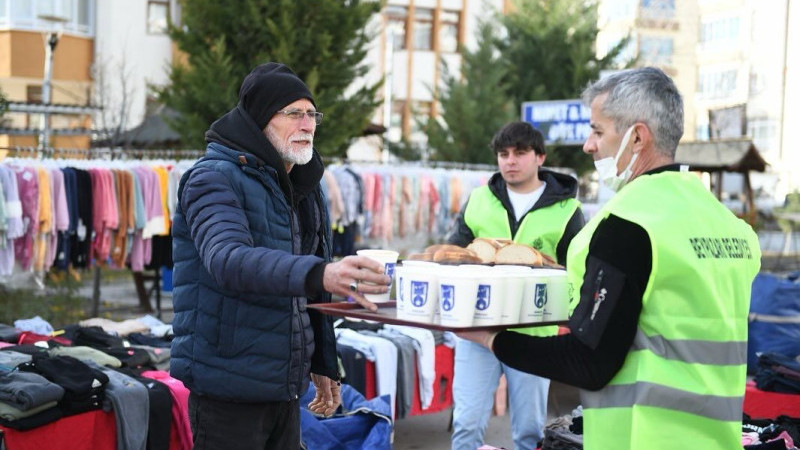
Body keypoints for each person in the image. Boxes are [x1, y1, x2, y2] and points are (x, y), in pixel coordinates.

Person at [459, 67, 761, 449]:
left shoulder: (628, 223)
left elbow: (589, 361)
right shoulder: (729, 225)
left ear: (637, 137)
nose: (588, 145)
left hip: (642, 437)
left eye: (598, 131)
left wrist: (490, 339)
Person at [170, 62, 391, 450]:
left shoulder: (303, 184)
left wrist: (322, 362)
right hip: (228, 386)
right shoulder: (212, 178)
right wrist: (321, 273)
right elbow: (228, 259)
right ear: (259, 121)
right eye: (293, 114)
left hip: (284, 386)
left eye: (311, 114)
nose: (307, 125)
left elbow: (308, 288)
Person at [447, 121, 584, 450]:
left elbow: (578, 272)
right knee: (466, 426)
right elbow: (453, 257)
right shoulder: (479, 199)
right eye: (503, 154)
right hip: (476, 331)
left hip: (534, 335)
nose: (510, 161)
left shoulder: (568, 210)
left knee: (529, 432)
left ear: (540, 157)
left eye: (520, 153)